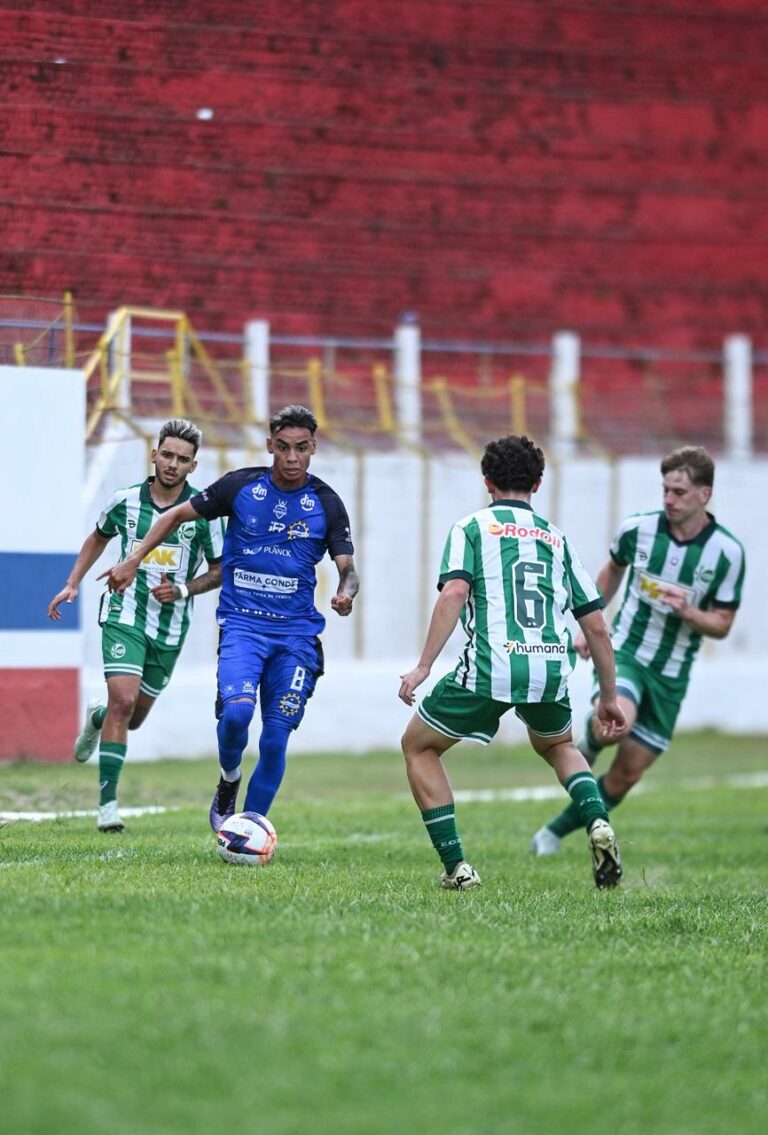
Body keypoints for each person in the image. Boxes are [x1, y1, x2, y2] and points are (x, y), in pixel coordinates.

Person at [101, 404, 359, 831]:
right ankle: (228, 779)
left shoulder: (327, 502)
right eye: (283, 447)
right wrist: (133, 559)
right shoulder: (241, 486)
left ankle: (248, 827)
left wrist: (344, 594)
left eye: (301, 448)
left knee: (275, 737)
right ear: (269, 445)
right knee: (237, 716)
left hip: (296, 637)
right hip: (242, 626)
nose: (292, 457)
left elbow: (348, 568)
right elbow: (175, 515)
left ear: (313, 447)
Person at [398, 434, 626, 891]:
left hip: (491, 666)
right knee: (560, 747)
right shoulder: (557, 539)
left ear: (487, 482)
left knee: (418, 746)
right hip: (549, 667)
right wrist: (609, 697)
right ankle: (597, 821)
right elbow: (596, 625)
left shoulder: (472, 528)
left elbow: (456, 592)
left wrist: (423, 666)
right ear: (538, 484)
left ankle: (457, 868)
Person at [531, 444, 746, 857]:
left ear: (705, 494)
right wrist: (589, 623)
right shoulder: (638, 529)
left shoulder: (727, 553)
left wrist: (689, 612)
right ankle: (585, 748)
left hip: (671, 675)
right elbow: (612, 569)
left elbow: (722, 623)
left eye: (679, 492)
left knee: (627, 775)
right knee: (616, 723)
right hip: (627, 652)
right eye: (665, 489)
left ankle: (552, 833)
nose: (669, 499)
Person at [48, 418, 224, 833]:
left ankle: (97, 719)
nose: (172, 464)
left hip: (170, 626)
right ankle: (107, 807)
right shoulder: (125, 501)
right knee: (123, 703)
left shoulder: (205, 513)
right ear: (154, 454)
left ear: (193, 467)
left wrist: (181, 591)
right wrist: (72, 583)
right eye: (167, 455)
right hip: (123, 616)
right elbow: (98, 537)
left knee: (133, 716)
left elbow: (220, 570)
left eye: (183, 459)